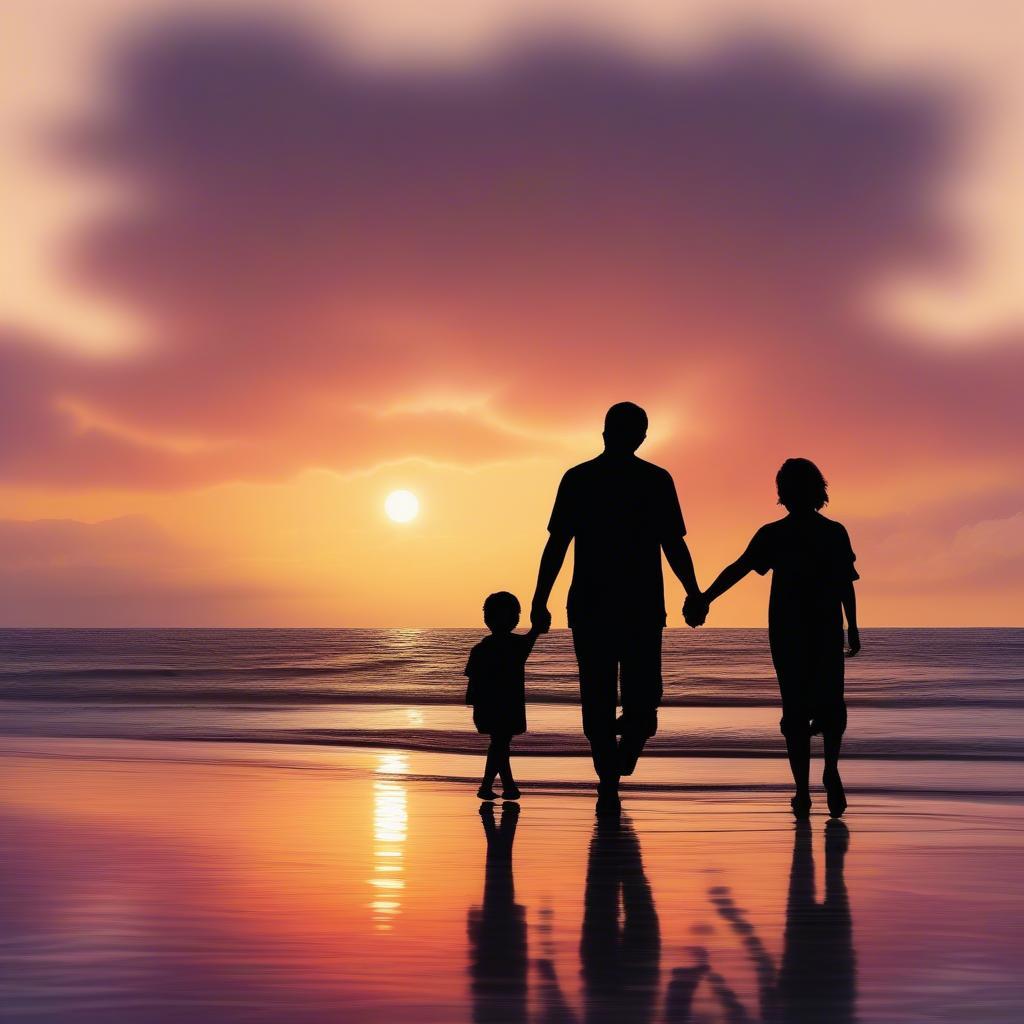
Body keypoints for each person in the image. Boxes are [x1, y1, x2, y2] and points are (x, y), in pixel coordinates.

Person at [530, 402, 702, 815]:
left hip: (630, 606)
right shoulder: (581, 478)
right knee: (601, 697)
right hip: (601, 605)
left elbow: (672, 542)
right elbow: (559, 543)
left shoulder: (653, 480)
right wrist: (539, 598)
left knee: (638, 701)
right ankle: (608, 783)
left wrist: (693, 591)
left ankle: (619, 761)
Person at [688, 458, 860, 818]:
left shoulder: (775, 534)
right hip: (825, 629)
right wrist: (852, 627)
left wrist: (705, 597)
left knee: (795, 709)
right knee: (831, 703)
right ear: (819, 492)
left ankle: (802, 791)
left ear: (783, 494)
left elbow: (739, 568)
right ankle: (829, 768)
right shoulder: (833, 532)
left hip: (788, 632)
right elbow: (845, 583)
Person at [464, 591, 541, 801]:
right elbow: (532, 637)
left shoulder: (481, 648)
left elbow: (472, 682)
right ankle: (496, 786)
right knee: (500, 743)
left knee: (499, 743)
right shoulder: (514, 645)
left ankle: (503, 786)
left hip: (492, 705)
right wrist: (536, 626)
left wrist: (472, 702)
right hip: (504, 705)